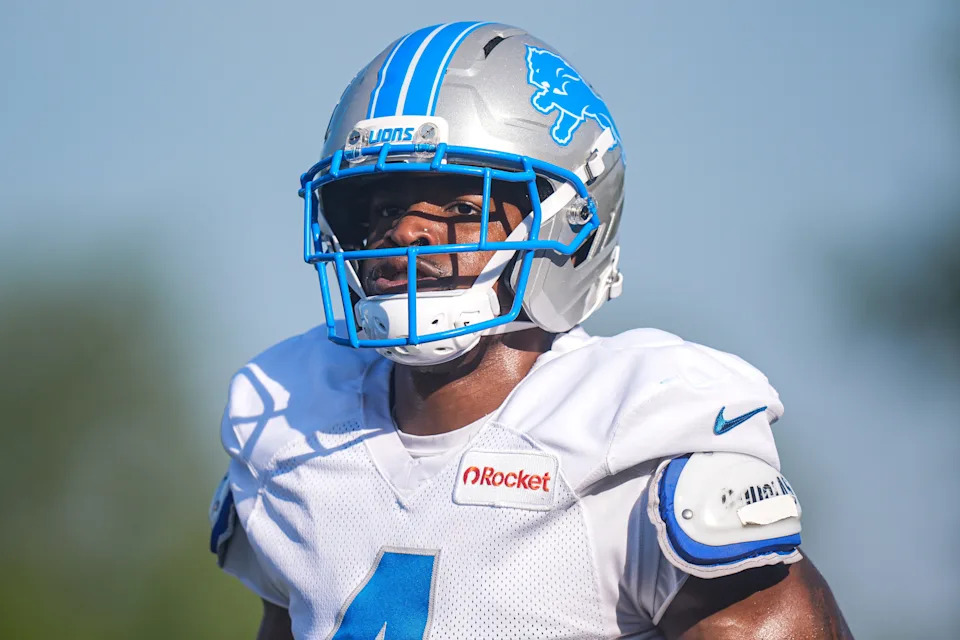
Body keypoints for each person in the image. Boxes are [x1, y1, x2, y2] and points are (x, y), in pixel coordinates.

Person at [209, 21, 852, 639]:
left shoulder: (635, 444)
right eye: (382, 208)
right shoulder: (293, 427)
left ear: (568, 223)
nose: (406, 232)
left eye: (462, 207)